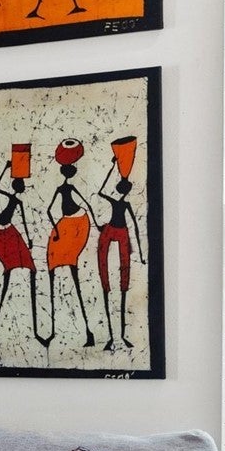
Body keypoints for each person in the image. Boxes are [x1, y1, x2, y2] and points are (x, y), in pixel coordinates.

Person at [0, 159, 39, 348]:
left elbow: (24, 221)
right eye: (22, 186)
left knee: (29, 266)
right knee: (12, 268)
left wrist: (28, 240)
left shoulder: (17, 200)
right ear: (20, 188)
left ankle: (32, 331)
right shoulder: (16, 199)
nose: (23, 188)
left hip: (6, 230)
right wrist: (5, 168)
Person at [45, 145, 97, 348]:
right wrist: (57, 231)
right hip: (66, 226)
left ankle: (88, 333)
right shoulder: (62, 189)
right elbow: (49, 211)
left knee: (71, 267)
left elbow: (85, 205)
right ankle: (53, 331)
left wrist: (96, 224)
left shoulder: (66, 189)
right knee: (53, 263)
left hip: (77, 224)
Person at [96, 170, 145, 352]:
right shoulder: (121, 203)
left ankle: (120, 336)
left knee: (123, 278)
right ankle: (113, 337)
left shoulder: (122, 204)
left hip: (119, 232)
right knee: (108, 277)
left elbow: (136, 228)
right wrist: (112, 168)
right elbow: (135, 228)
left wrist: (140, 253)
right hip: (113, 231)